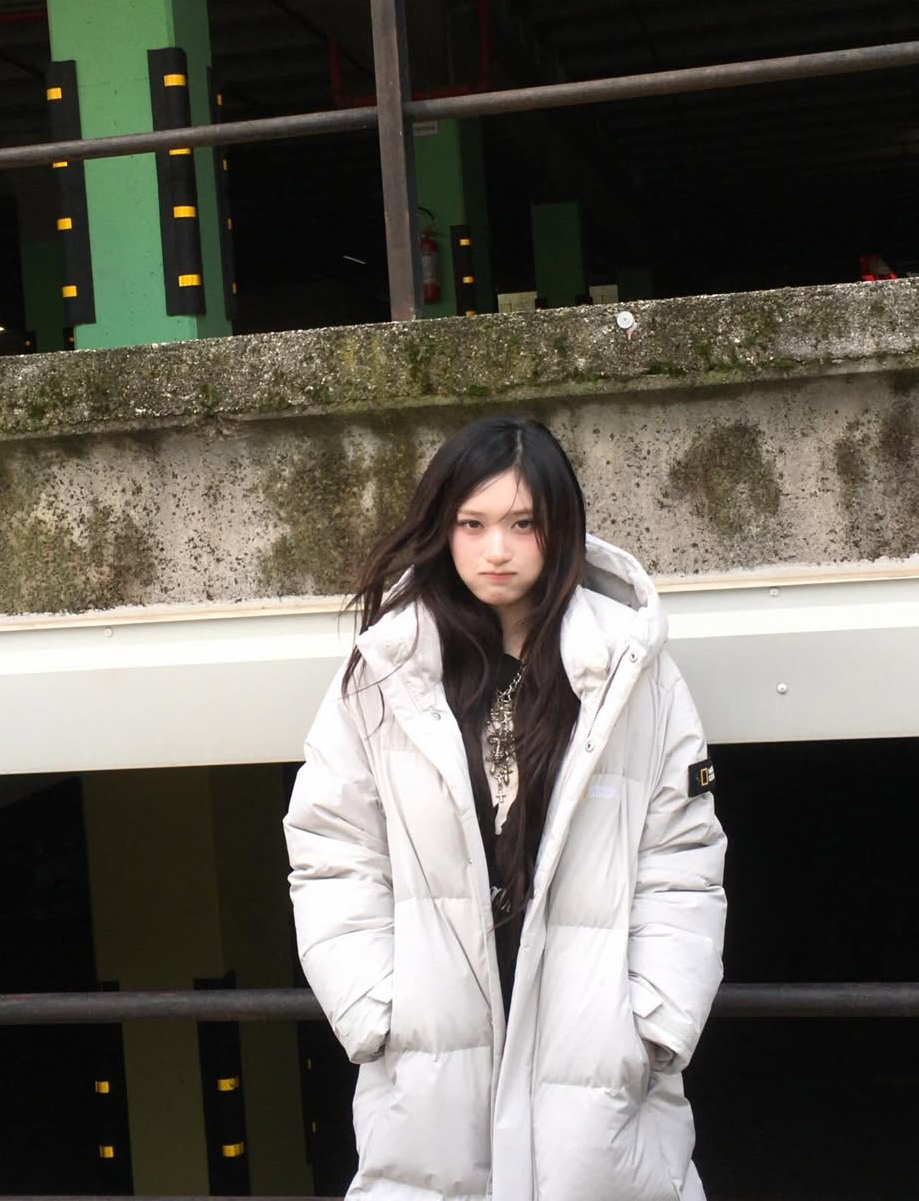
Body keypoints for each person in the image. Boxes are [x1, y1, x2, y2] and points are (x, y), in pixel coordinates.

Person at [284, 415, 726, 1201]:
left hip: (593, 1044)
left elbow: (681, 853)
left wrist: (655, 1020)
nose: (498, 549)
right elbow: (332, 848)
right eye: (474, 523)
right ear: (442, 529)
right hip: (434, 1047)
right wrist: (375, 1009)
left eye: (524, 524)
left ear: (561, 531)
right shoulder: (387, 670)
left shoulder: (631, 670)